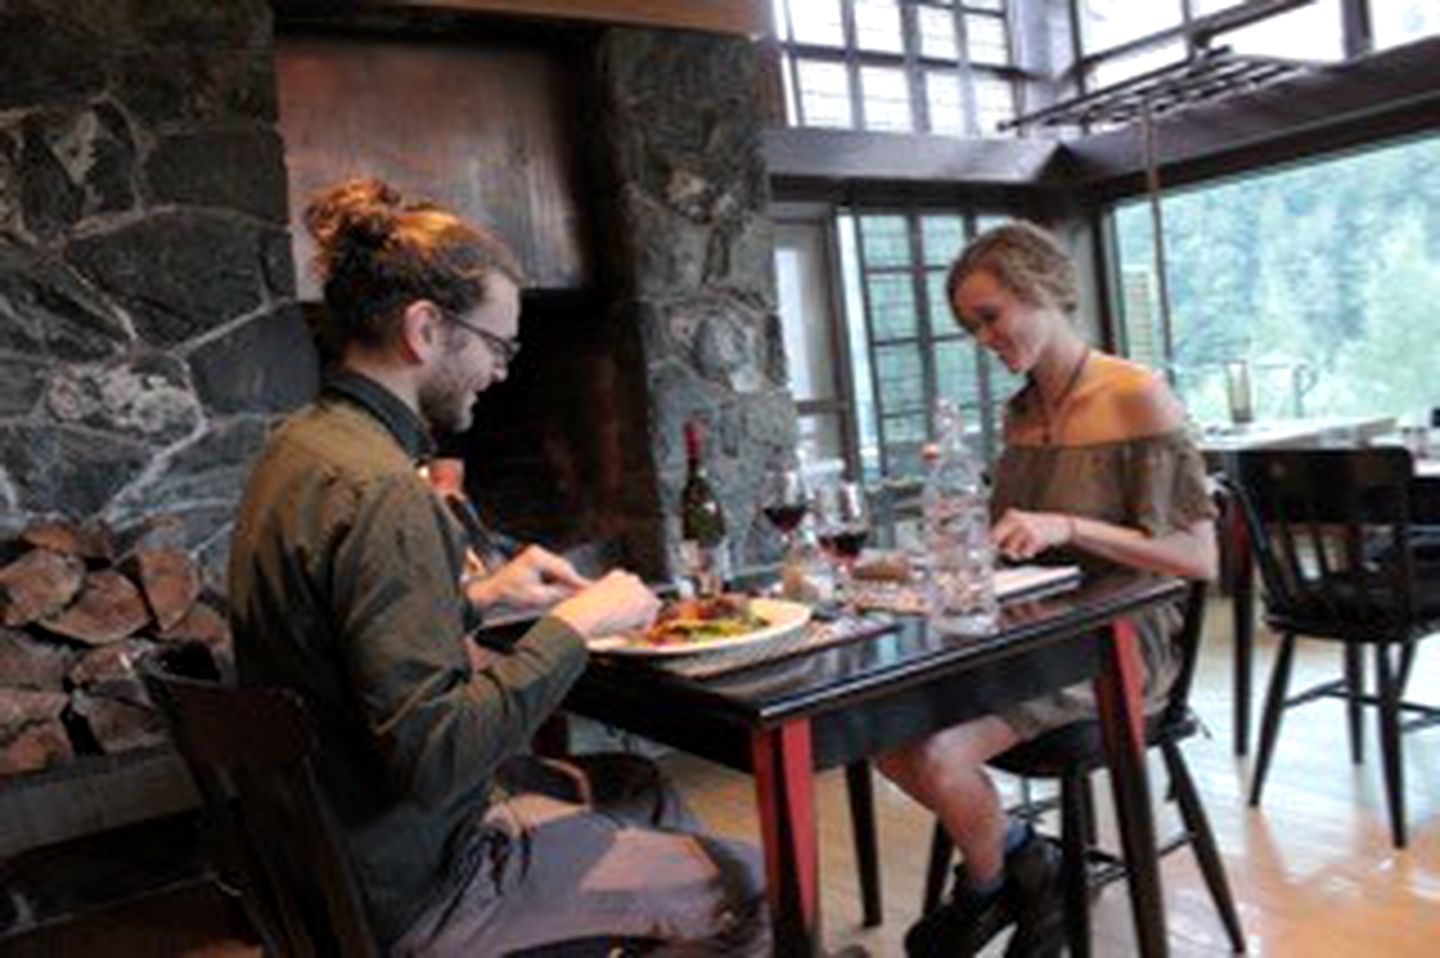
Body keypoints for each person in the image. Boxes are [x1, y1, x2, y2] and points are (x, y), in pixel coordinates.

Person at [228, 178, 768, 956]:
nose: (504, 369)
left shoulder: (301, 450)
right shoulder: (383, 493)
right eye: (497, 345)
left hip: (329, 865)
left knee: (638, 787)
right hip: (424, 885)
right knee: (756, 883)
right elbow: (433, 753)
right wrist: (571, 626)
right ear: (425, 329)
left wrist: (481, 598)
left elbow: (345, 641)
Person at [875, 221, 1218, 956]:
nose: (983, 338)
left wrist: (1067, 524)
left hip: (1118, 642)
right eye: (972, 326)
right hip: (1032, 628)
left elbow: (1198, 557)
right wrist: (952, 530)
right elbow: (1010, 539)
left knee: (935, 754)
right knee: (878, 733)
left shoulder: (1137, 395)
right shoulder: (1020, 413)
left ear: (1043, 290)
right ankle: (1028, 860)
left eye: (991, 316)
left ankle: (988, 887)